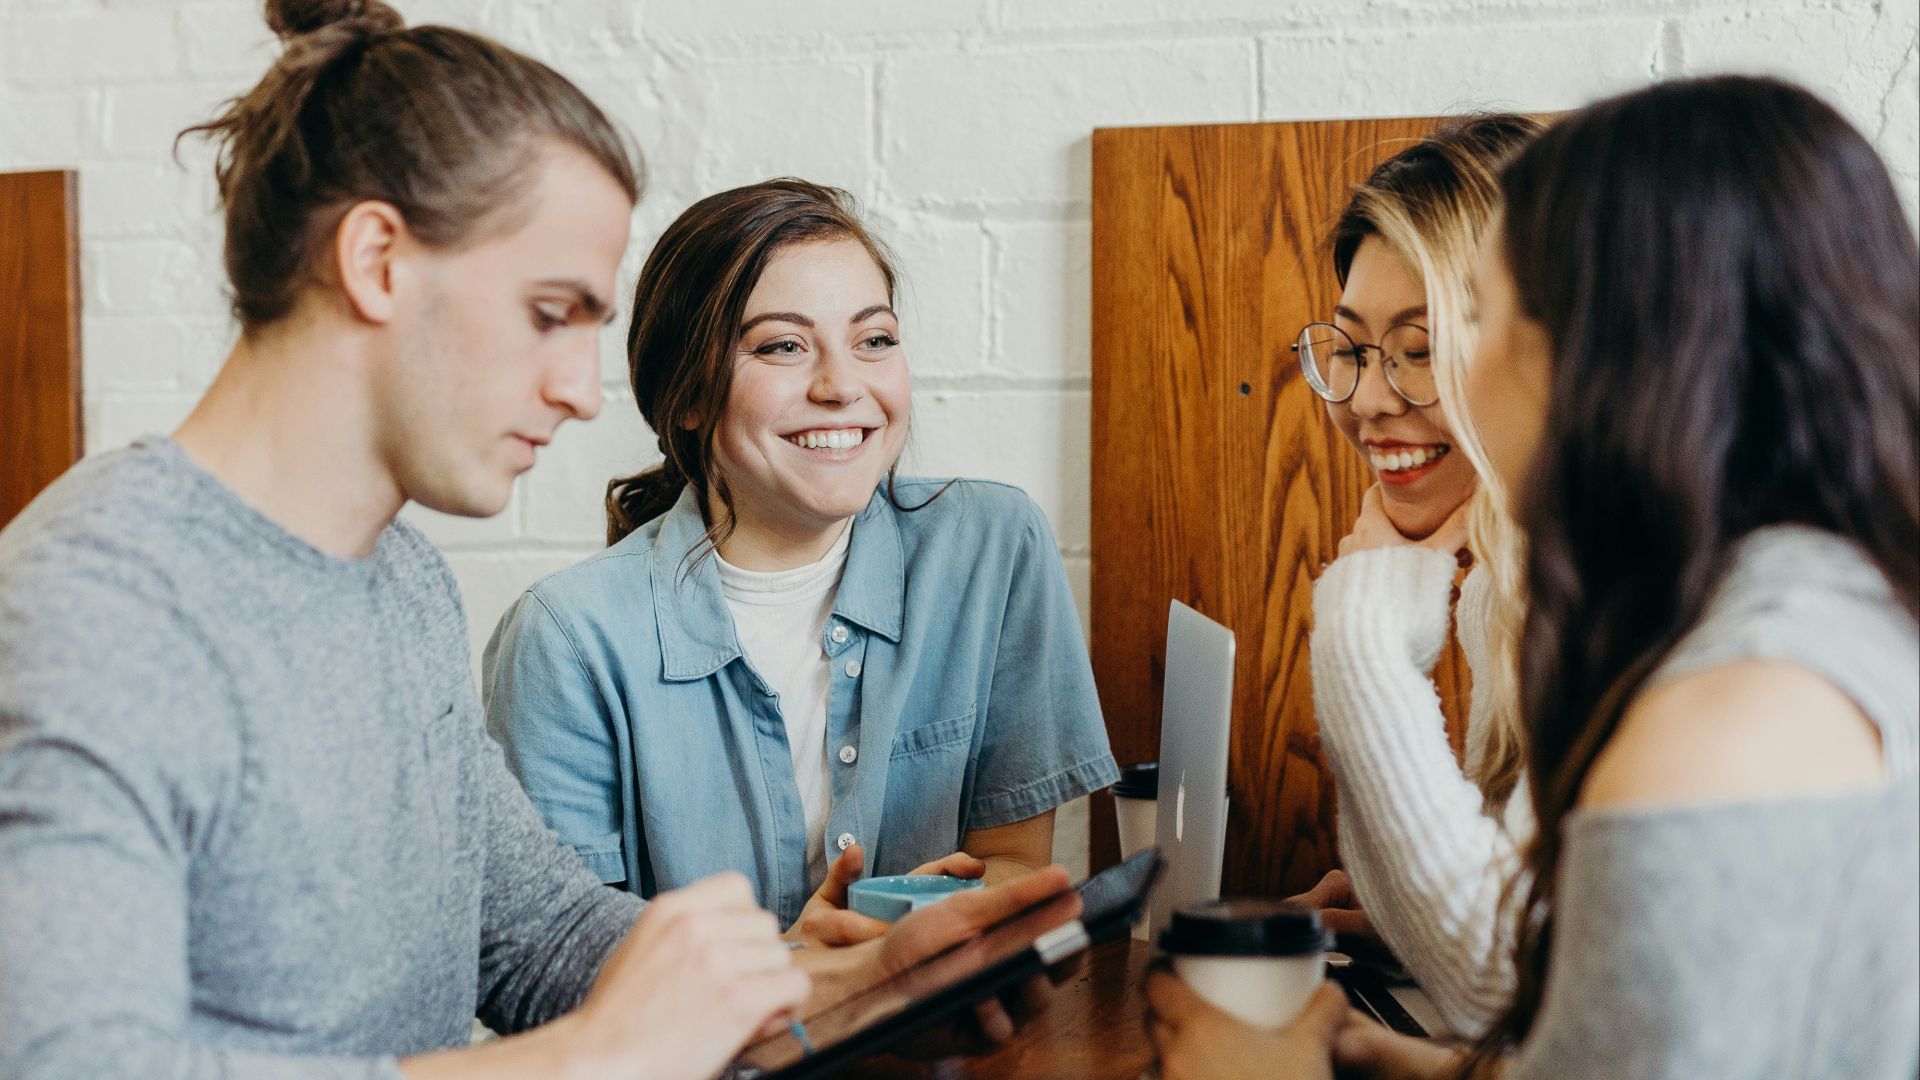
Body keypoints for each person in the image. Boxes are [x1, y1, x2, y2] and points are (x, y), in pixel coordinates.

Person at [0, 3, 1077, 1078]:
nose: (574, 390)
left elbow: (540, 936)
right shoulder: (98, 607)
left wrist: (840, 988)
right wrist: (594, 1058)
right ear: (376, 260)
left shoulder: (396, 579)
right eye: (548, 313)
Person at [1150, 74, 1919, 1080]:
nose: (1411, 387)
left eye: (1474, 316)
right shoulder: (1813, 609)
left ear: (1618, 347)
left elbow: (1520, 987)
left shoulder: (1722, 715)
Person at [483, 178, 1120, 938]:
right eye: (783, 346)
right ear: (686, 396)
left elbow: (1014, 863)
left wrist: (925, 931)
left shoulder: (992, 548)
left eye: (874, 340)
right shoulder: (565, 639)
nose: (842, 385)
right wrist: (804, 975)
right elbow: (561, 963)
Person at [1286, 114, 1544, 1036]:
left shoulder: (1612, 592)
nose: (1365, 399)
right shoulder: (1504, 586)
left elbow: (1500, 988)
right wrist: (1402, 913)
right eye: (1351, 349)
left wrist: (1360, 633)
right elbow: (1527, 960)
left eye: (1422, 348)